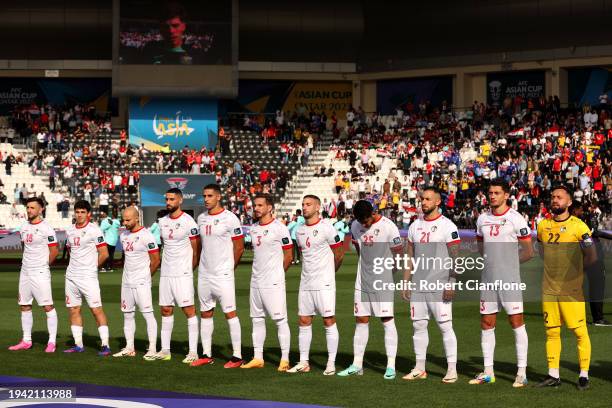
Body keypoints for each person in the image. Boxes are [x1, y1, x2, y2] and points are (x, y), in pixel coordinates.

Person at [471, 179, 534, 387]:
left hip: (510, 280)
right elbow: (482, 248)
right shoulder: (482, 219)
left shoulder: (516, 219)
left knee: (516, 322)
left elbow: (528, 252)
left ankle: (521, 373)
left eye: (497, 192)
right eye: (490, 193)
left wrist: (507, 263)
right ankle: (488, 372)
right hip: (488, 280)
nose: (492, 196)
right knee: (487, 323)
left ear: (506, 195)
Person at [536, 185, 596, 390]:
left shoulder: (579, 227)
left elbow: (592, 256)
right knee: (551, 331)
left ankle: (584, 375)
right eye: (553, 197)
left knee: (579, 331)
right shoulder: (543, 225)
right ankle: (553, 374)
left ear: (569, 202)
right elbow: (541, 251)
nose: (555, 200)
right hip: (549, 289)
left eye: (560, 197)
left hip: (571, 290)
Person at [337, 200, 402, 380]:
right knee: (361, 320)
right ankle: (357, 364)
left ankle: (390, 366)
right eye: (361, 222)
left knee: (387, 319)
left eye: (366, 221)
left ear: (373, 213)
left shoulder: (389, 227)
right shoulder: (355, 225)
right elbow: (359, 250)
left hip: (383, 281)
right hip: (362, 281)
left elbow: (398, 253)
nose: (364, 225)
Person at [402, 187, 460, 383]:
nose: (423, 202)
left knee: (445, 326)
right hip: (418, 286)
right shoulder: (414, 226)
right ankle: (420, 368)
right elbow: (409, 256)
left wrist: (452, 282)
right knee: (418, 325)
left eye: (427, 199)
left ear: (437, 202)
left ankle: (451, 369)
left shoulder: (448, 226)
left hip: (440, 285)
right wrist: (406, 282)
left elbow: (456, 258)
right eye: (421, 199)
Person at [287, 195, 344, 375]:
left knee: (328, 320)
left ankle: (331, 363)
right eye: (303, 204)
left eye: (308, 204)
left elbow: (339, 254)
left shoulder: (327, 228)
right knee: (304, 320)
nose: (304, 207)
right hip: (306, 282)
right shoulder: (299, 230)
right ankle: (304, 362)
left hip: (324, 282)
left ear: (318, 207)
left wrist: (329, 274)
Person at [191, 184, 245, 368]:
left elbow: (239, 247)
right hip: (205, 274)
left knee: (230, 313)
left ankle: (237, 356)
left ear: (219, 197)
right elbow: (198, 246)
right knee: (205, 313)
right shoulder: (201, 218)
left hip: (223, 274)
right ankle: (206, 354)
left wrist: (230, 268)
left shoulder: (230, 218)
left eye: (210, 196)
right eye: (204, 196)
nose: (206, 199)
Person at [241, 193, 293, 371]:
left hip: (273, 282)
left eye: (260, 205)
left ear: (270, 207)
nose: (256, 208)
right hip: (255, 280)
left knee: (280, 320)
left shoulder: (280, 228)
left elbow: (289, 255)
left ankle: (285, 359)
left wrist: (277, 274)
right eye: (255, 205)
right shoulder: (254, 228)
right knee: (256, 319)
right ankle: (258, 357)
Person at [148, 188, 200, 363]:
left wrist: (188, 270)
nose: (168, 202)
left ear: (180, 200)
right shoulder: (162, 221)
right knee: (166, 309)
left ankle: (193, 351)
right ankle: (165, 350)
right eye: (166, 199)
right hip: (166, 274)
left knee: (189, 311)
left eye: (171, 199)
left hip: (182, 274)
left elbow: (196, 250)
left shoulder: (189, 222)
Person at [9, 197, 59, 353]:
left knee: (48, 306)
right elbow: (24, 247)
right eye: (28, 207)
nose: (29, 210)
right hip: (25, 271)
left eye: (32, 208)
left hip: (40, 272)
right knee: (24, 305)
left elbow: (54, 251)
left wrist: (43, 266)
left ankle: (51, 342)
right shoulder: (23, 226)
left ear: (40, 209)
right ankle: (26, 340)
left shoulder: (47, 229)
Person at [63, 200, 111, 356]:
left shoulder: (94, 230)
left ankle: (105, 345)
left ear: (88, 214)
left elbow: (104, 254)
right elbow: (71, 251)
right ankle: (78, 345)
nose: (79, 214)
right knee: (74, 309)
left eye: (83, 212)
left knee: (96, 310)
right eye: (77, 212)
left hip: (88, 277)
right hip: (71, 276)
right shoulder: (69, 230)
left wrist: (91, 268)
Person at [113, 207, 160, 359]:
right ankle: (129, 347)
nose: (124, 223)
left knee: (147, 315)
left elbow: (155, 260)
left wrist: (146, 276)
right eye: (123, 219)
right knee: (127, 315)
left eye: (128, 220)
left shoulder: (147, 236)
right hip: (126, 282)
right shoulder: (123, 235)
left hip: (141, 282)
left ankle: (152, 348)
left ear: (137, 218)